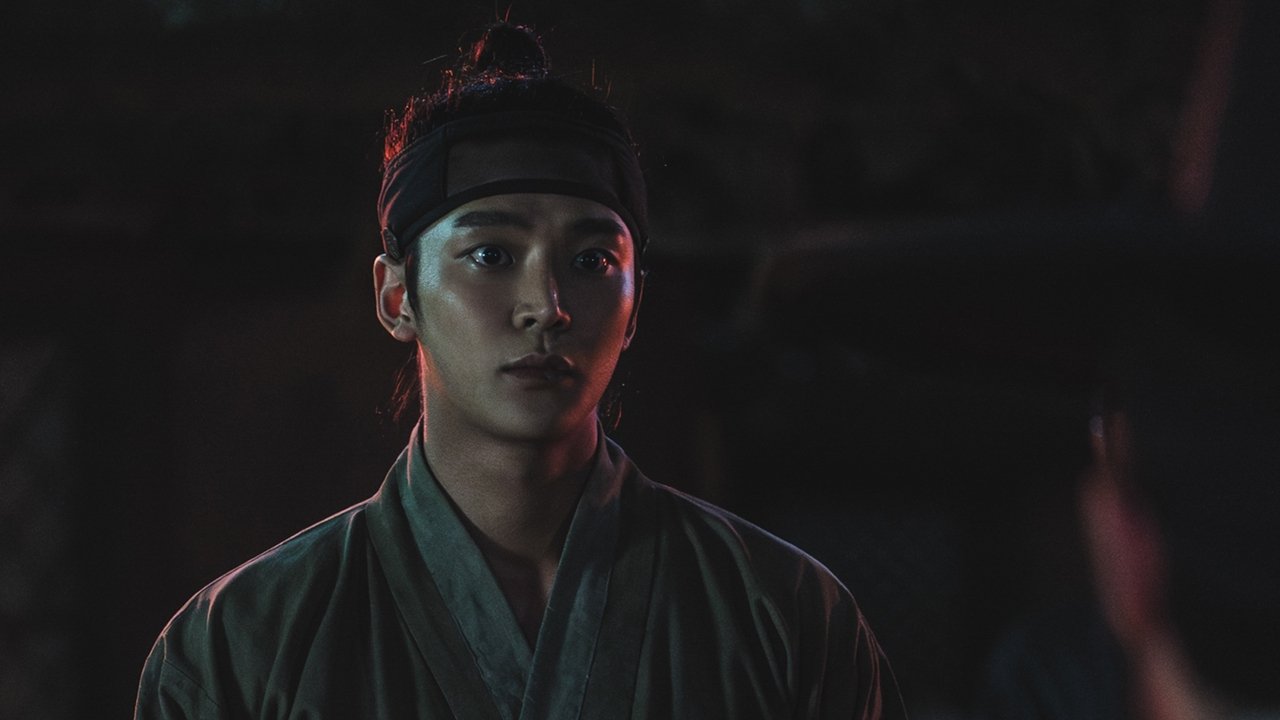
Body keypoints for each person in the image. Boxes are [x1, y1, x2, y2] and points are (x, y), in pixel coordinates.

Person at [134, 22, 904, 719]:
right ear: (397, 297)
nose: (547, 305)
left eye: (591, 260)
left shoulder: (784, 617)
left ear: (635, 305)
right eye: (491, 255)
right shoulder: (241, 647)